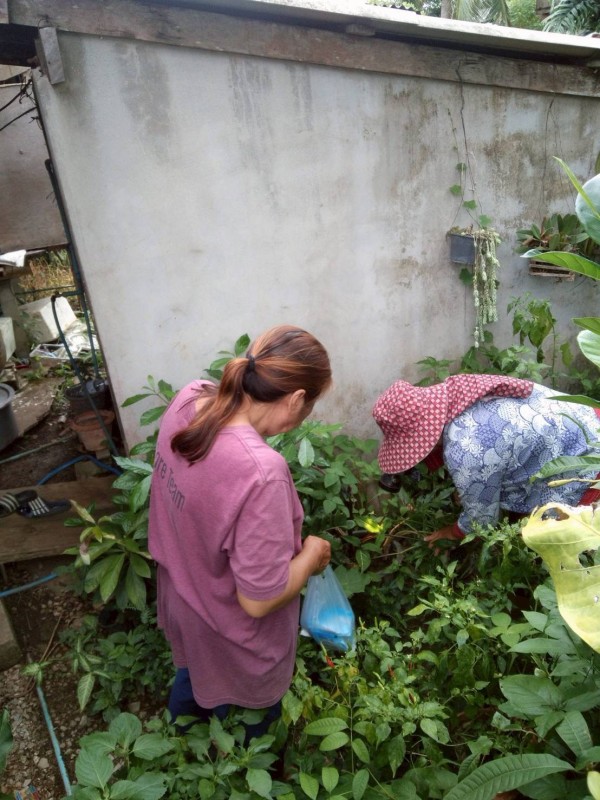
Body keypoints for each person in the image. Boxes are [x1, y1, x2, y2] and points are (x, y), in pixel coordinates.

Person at [148, 324, 332, 740]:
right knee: (249, 735)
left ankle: (175, 742)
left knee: (192, 684)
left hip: (185, 604)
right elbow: (258, 599)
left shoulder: (189, 399)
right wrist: (312, 555)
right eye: (310, 406)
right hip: (232, 637)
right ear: (298, 398)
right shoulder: (260, 472)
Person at [372, 374, 600, 545]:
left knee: (559, 539)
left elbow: (482, 522)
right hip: (584, 417)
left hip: (585, 460)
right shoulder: (461, 389)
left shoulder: (465, 449)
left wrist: (451, 533)